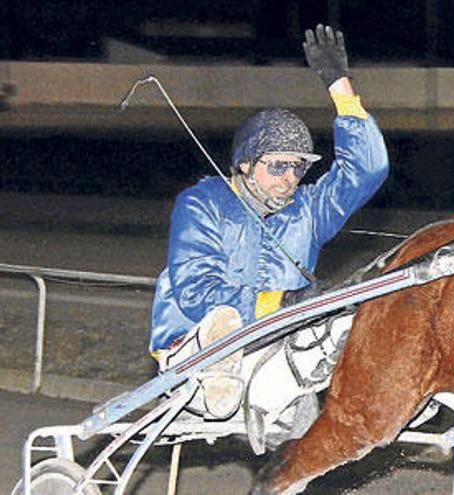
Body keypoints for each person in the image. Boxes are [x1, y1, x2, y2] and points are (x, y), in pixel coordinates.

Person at [148, 24, 388, 451]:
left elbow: (366, 170)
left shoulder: (308, 210)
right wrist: (282, 302)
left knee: (351, 317)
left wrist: (340, 87)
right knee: (225, 318)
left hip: (277, 350)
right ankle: (222, 389)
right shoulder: (201, 203)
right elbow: (196, 291)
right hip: (195, 344)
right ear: (244, 164)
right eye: (278, 166)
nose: (290, 179)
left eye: (298, 167)